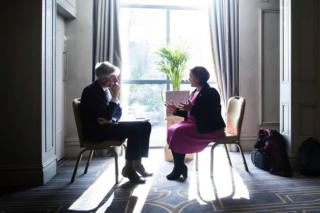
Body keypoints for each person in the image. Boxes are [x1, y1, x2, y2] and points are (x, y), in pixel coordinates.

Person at [80, 61, 152, 184]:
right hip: (96, 132)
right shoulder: (91, 91)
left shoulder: (106, 90)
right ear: (104, 77)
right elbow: (105, 116)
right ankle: (129, 169)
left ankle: (137, 164)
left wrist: (111, 119)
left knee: (145, 125)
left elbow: (118, 112)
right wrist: (114, 100)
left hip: (106, 126)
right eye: (113, 77)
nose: (116, 80)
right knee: (135, 129)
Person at [165, 66, 226, 181]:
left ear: (199, 78)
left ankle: (179, 168)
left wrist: (192, 109)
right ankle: (179, 166)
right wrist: (175, 110)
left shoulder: (211, 92)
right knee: (172, 129)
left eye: (191, 76)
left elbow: (212, 113)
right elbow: (190, 113)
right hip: (194, 124)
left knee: (178, 132)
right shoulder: (194, 92)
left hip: (208, 127)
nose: (189, 79)